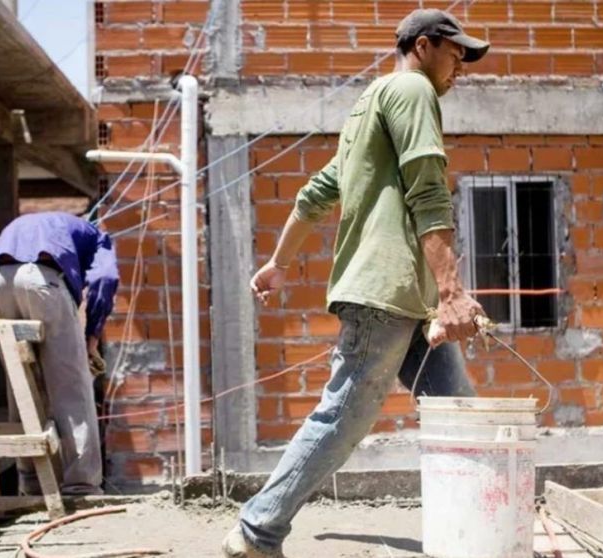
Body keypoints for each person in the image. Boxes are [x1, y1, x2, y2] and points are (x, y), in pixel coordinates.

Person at [222, 9, 492, 558]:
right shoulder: (412, 90)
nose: (461, 64)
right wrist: (453, 292)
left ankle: (481, 531)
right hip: (386, 293)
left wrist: (278, 262)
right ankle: (256, 531)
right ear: (422, 46)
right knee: (344, 416)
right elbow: (427, 191)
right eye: (455, 52)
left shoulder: (368, 105)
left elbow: (318, 192)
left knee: (458, 411)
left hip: (408, 301)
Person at [0, 211, 119, 496]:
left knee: (23, 386)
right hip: (43, 283)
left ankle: (32, 483)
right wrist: (92, 336)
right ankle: (81, 485)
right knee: (71, 388)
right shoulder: (98, 237)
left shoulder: (20, 224)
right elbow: (105, 278)